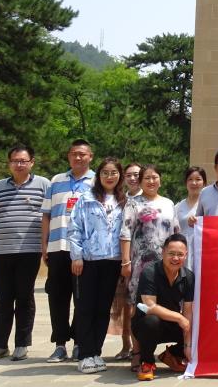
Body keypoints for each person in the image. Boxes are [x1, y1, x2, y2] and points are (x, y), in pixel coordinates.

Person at [0, 145, 49, 362]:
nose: (19, 164)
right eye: (14, 161)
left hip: (29, 250)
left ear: (32, 162)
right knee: (2, 297)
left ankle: (22, 344)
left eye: (23, 161)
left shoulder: (43, 184)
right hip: (3, 250)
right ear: (9, 163)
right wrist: (5, 231)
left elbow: (48, 215)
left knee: (24, 296)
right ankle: (0, 345)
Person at [68, 157, 126, 373]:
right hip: (89, 260)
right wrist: (76, 256)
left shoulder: (124, 201)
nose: (109, 177)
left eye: (114, 173)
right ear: (98, 175)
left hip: (113, 261)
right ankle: (84, 354)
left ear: (119, 176)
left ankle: (96, 352)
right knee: (85, 308)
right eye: (105, 173)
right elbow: (75, 228)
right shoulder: (86, 198)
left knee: (103, 309)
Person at [40, 139, 95, 363]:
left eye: (82, 154)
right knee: (57, 297)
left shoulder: (96, 181)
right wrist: (44, 245)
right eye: (74, 154)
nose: (78, 157)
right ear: (68, 156)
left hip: (83, 250)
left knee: (82, 299)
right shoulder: (56, 180)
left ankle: (79, 342)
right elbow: (46, 215)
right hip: (57, 248)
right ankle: (60, 344)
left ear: (90, 157)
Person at [120, 164, 178, 371]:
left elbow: (175, 233)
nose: (151, 181)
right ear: (141, 181)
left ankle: (155, 352)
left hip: (166, 266)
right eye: (147, 178)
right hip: (140, 266)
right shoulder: (133, 203)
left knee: (161, 307)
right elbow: (126, 233)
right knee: (138, 309)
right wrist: (125, 262)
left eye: (155, 177)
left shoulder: (168, 203)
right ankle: (138, 353)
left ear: (160, 179)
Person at [133, 234, 194, 381]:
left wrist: (187, 346)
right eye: (171, 253)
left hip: (171, 324)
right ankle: (147, 362)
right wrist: (179, 317)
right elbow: (149, 306)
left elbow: (188, 312)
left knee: (198, 327)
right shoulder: (150, 272)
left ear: (186, 255)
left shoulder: (188, 276)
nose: (175, 258)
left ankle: (172, 354)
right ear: (163, 252)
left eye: (180, 254)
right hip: (146, 325)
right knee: (151, 321)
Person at [109, 163, 144, 360]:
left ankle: (142, 346)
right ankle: (126, 345)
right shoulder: (119, 199)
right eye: (129, 175)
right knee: (123, 304)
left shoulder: (148, 198)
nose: (132, 178)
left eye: (136, 175)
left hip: (141, 259)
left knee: (139, 304)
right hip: (120, 257)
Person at [174, 166, 206, 270]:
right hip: (182, 252)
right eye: (190, 179)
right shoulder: (177, 207)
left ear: (204, 183)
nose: (194, 183)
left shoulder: (208, 205)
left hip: (202, 251)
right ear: (185, 183)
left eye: (198, 179)